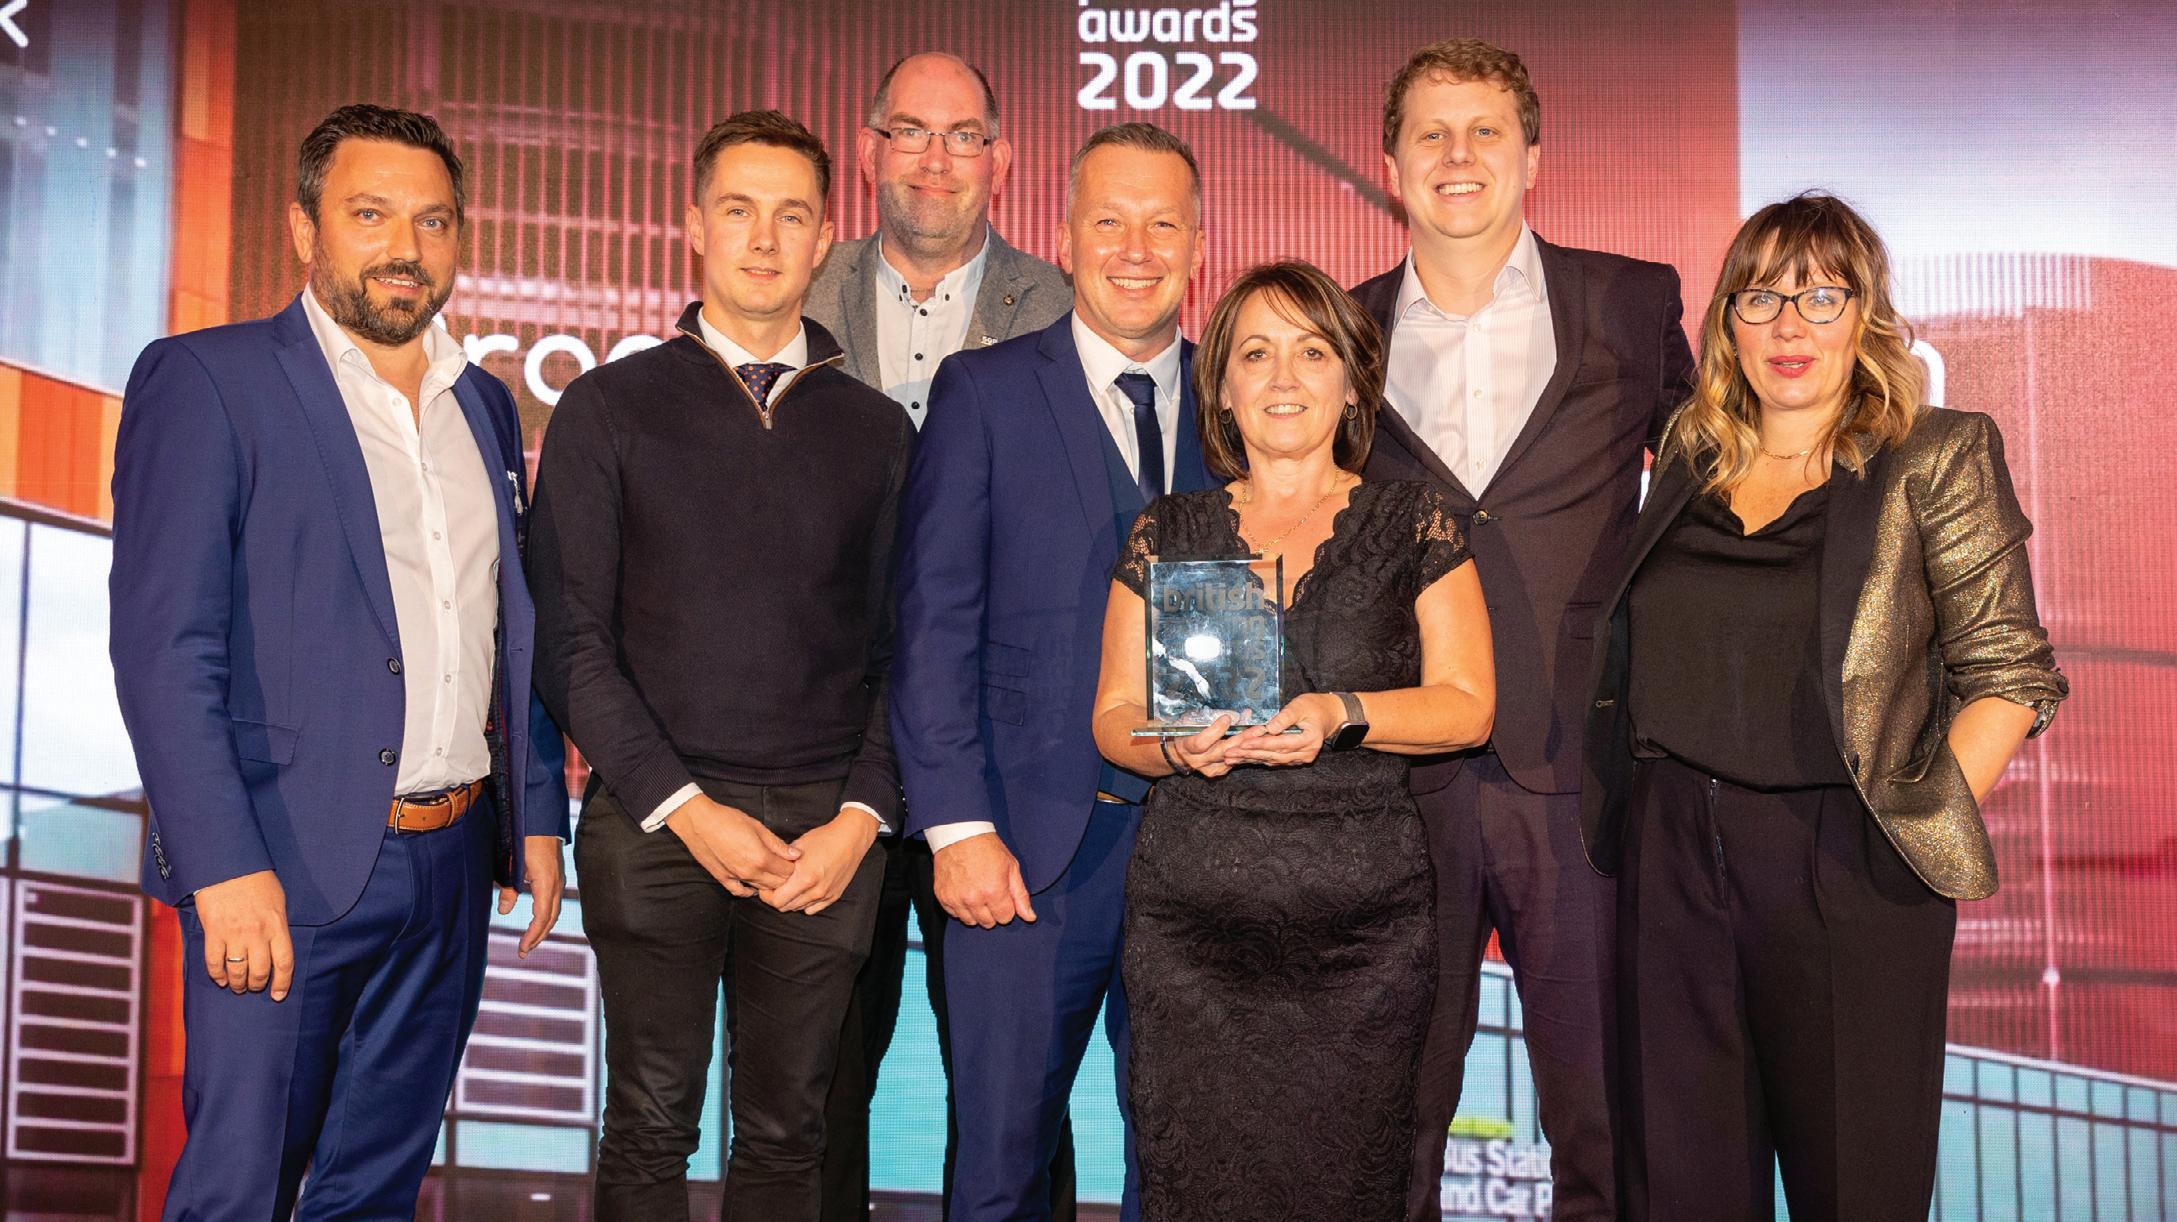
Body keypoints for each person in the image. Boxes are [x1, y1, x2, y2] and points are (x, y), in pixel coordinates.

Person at [109, 103, 568, 1220]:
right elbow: (164, 649)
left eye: (432, 220)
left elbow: (507, 627)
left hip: (451, 865)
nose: (405, 246)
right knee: (238, 1190)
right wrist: (221, 868)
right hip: (277, 864)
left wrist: (536, 814)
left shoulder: (483, 405)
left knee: (375, 1192)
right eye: (370, 215)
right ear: (304, 229)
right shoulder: (208, 380)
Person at [1584, 191, 2066, 1221]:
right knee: (1676, 1188)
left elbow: (2010, 673)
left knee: (1856, 1189)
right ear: (1727, 323)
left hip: (1848, 859)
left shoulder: (1934, 454)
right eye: (1760, 297)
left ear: (1865, 316)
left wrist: (1905, 826)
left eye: (1819, 296)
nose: (1788, 325)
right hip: (1670, 856)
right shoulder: (1688, 455)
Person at [526, 110, 912, 1221]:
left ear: (825, 238)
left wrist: (860, 818)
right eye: (738, 210)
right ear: (693, 224)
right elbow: (570, 643)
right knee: (650, 1122)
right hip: (654, 822)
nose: (763, 238)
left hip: (823, 839)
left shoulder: (878, 431)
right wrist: (689, 810)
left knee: (791, 1133)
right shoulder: (608, 406)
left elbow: (908, 652)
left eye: (791, 215)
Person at [1347, 38, 1696, 1220]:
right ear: (1389, 163)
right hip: (1396, 782)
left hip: (1580, 780)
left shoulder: (1631, 301)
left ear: (1532, 155)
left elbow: (1715, 494)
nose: (1457, 155)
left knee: (1603, 1118)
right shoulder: (1337, 330)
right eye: (1430, 133)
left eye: (1484, 130)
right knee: (1386, 1120)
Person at [1091, 261, 1495, 1220]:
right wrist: (1176, 749)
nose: (1282, 378)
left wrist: (1340, 712)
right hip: (1192, 930)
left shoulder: (1412, 518)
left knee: (1349, 1186)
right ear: (1221, 387)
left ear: (1352, 383)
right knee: (1196, 1186)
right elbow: (1112, 718)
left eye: (1312, 353)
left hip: (1361, 936)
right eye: (1255, 354)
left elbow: (1468, 705)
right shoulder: (1166, 530)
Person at [890, 122, 1213, 1222]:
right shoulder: (981, 392)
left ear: (1197, 245)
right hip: (1024, 856)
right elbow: (931, 623)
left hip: (1207, 855)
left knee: (1188, 1166)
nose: (1136, 248)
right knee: (999, 1172)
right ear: (1064, 240)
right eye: (1108, 221)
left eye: (1162, 224)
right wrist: (955, 827)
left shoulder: (1243, 402)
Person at [802, 52, 1076, 1222]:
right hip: (823, 753)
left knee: (1014, 1091)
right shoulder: (797, 289)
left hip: (997, 765)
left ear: (1000, 159)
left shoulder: (1063, 308)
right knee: (815, 1083)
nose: (933, 159)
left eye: (962, 135)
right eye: (908, 130)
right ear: (868, 148)